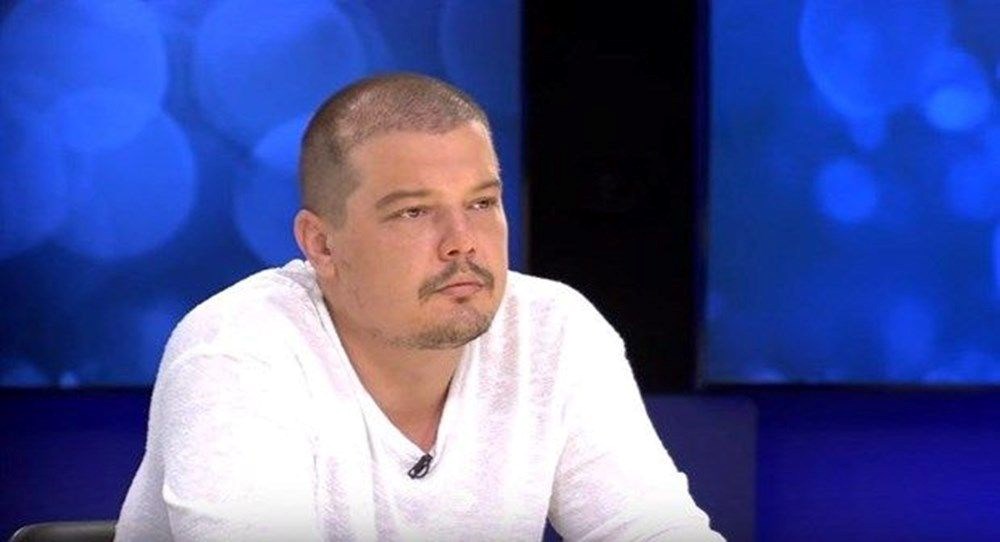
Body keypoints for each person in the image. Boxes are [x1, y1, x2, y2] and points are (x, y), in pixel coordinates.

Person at [115, 72, 723, 541]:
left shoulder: (553, 329)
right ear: (321, 244)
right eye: (413, 212)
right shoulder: (238, 349)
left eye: (482, 203)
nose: (463, 241)